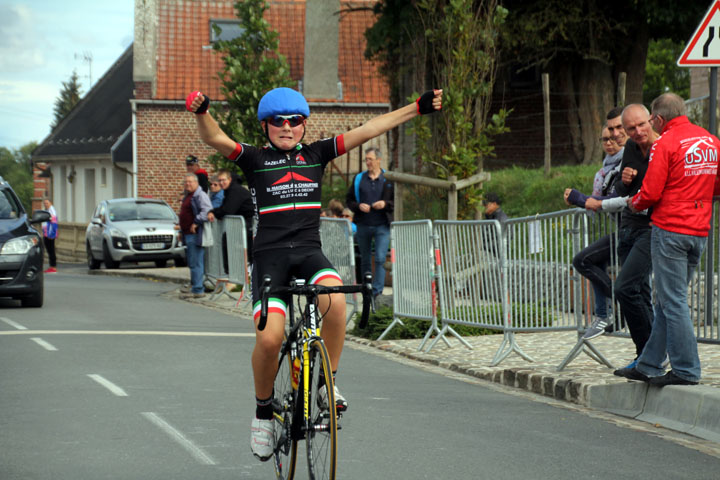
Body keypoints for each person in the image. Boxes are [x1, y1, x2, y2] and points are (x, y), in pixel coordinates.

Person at [186, 86, 442, 461]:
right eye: (278, 121)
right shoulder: (255, 159)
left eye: (295, 121)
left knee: (335, 298)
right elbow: (215, 137)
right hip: (269, 258)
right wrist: (202, 111)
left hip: (309, 253)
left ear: (305, 125)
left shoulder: (317, 154)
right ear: (265, 126)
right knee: (271, 339)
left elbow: (370, 129)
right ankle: (262, 412)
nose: (287, 127)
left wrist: (416, 109)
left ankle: (326, 384)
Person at [615, 93, 720, 386]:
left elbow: (650, 192)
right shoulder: (710, 141)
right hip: (699, 231)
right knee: (666, 301)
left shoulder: (666, 142)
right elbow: (717, 183)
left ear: (658, 119)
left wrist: (633, 204)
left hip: (670, 230)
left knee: (672, 302)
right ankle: (649, 364)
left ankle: (686, 370)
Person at [585, 104, 658, 369]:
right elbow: (620, 189)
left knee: (626, 288)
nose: (634, 132)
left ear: (651, 121)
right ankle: (646, 356)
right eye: (628, 128)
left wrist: (595, 203)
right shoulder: (629, 150)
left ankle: (652, 355)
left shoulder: (661, 147)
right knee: (638, 291)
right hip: (628, 227)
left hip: (651, 228)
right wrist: (625, 181)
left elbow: (651, 193)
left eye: (640, 126)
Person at [563, 122, 625, 339]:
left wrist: (581, 199)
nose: (610, 142)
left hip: (635, 229)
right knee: (591, 260)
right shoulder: (602, 171)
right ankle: (604, 315)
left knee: (582, 260)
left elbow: (614, 199)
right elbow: (596, 202)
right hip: (622, 228)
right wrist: (581, 202)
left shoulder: (628, 163)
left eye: (615, 137)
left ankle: (618, 303)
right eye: (604, 139)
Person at [346, 147, 394, 299]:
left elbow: (396, 201)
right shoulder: (359, 179)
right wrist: (358, 206)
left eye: (370, 159)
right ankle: (366, 290)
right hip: (363, 224)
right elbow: (349, 200)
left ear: (379, 160)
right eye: (366, 159)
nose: (367, 162)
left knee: (380, 257)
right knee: (365, 259)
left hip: (382, 225)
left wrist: (385, 204)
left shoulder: (389, 179)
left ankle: (377, 292)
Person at [207, 168, 255, 266]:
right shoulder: (229, 190)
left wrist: (214, 212)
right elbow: (225, 208)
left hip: (250, 223)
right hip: (245, 222)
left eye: (223, 180)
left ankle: (233, 270)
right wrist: (214, 212)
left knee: (231, 241)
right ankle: (235, 270)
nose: (221, 183)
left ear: (229, 179)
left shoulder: (235, 190)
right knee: (229, 241)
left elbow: (228, 209)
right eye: (219, 180)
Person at [177, 174, 212, 299]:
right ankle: (195, 286)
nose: (188, 184)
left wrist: (196, 222)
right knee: (192, 262)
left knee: (196, 261)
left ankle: (198, 289)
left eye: (190, 182)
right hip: (187, 233)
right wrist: (181, 231)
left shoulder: (200, 195)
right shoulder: (188, 195)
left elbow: (207, 210)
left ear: (196, 183)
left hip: (195, 234)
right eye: (186, 182)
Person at [42, 198, 58, 274]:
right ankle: (51, 266)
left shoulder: (52, 211)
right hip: (46, 233)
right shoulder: (47, 211)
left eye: (47, 203)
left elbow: (54, 224)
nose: (45, 205)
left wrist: (51, 234)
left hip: (49, 234)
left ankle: (53, 267)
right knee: (49, 250)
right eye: (44, 203)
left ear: (50, 203)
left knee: (51, 250)